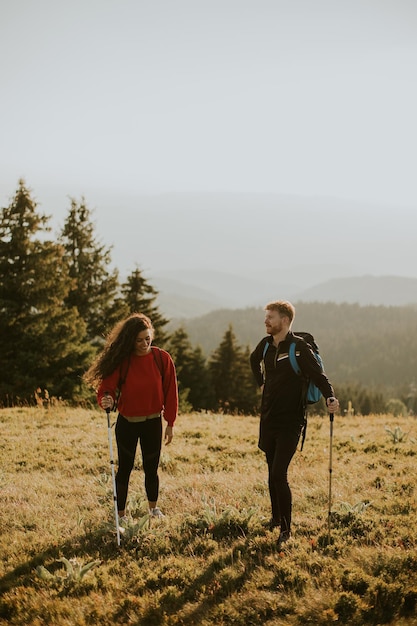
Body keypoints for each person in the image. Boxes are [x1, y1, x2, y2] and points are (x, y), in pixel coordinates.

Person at [250, 300, 339, 548]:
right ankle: (276, 517)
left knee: (279, 473)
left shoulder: (299, 348)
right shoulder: (266, 345)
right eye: (266, 316)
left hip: (291, 421)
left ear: (285, 321)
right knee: (271, 471)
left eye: (271, 317)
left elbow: (320, 377)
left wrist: (330, 397)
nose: (266, 321)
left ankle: (286, 530)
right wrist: (262, 384)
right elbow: (252, 360)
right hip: (268, 418)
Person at [84, 313, 178, 521]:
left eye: (148, 338)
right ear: (129, 341)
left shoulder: (161, 359)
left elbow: (171, 392)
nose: (145, 343)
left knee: (151, 469)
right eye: (139, 340)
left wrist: (170, 423)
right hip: (127, 424)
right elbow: (106, 389)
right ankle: (121, 514)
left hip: (153, 423)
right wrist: (106, 400)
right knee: (124, 469)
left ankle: (153, 510)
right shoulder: (122, 362)